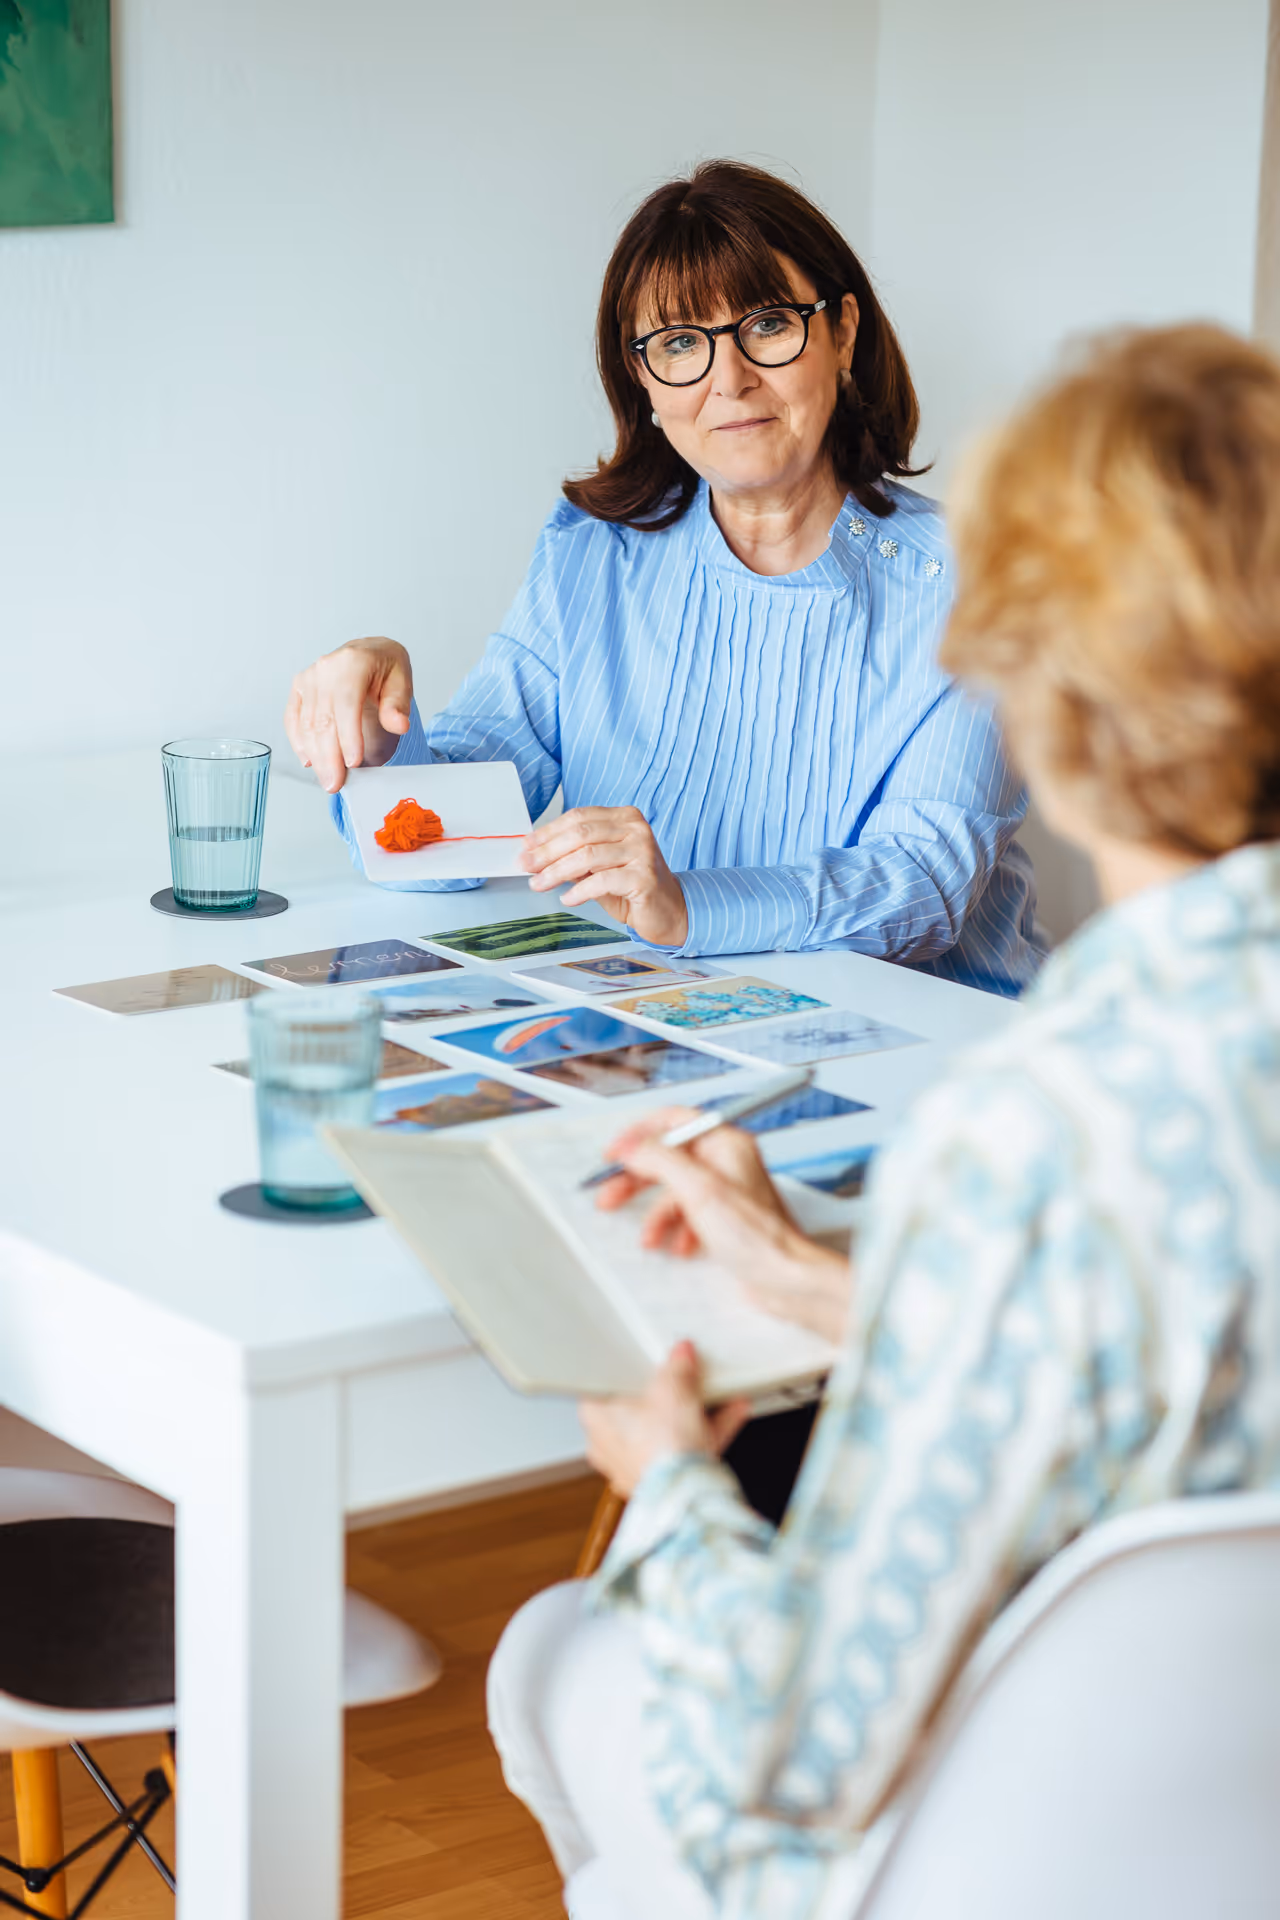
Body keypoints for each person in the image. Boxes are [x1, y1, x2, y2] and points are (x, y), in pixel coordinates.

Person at [485, 323, 1280, 1920]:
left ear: (1026, 689)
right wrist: (817, 1283)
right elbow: (1162, 1354)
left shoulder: (1029, 1129)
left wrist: (668, 1488)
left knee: (553, 1659)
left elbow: (788, 1753)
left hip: (993, 1850)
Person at [284, 160, 1042, 1000]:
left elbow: (926, 887)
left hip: (933, 1048)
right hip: (656, 1028)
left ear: (843, 332)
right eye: (681, 343)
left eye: (767, 323)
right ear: (642, 379)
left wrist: (691, 908)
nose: (729, 379)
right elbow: (454, 845)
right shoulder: (593, 552)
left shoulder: (976, 581)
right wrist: (382, 742)